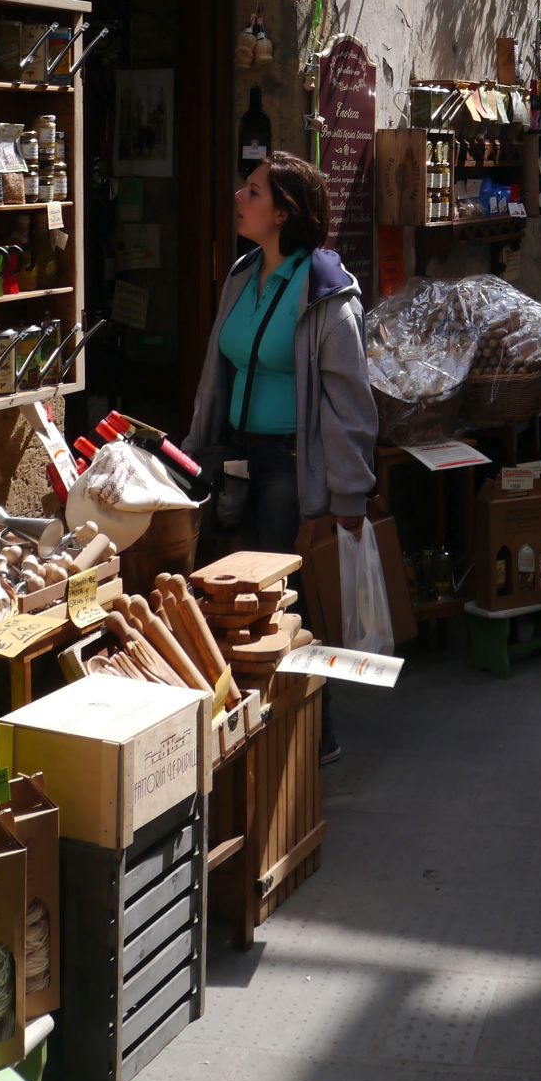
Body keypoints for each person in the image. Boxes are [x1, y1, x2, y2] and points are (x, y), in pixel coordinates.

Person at [186, 150, 378, 761]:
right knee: (233, 599)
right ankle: (254, 723)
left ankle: (314, 731)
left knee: (282, 603)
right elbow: (216, 374)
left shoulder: (326, 294)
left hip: (290, 468)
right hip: (236, 459)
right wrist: (193, 452)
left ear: (284, 212)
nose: (239, 199)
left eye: (253, 191)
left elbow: (351, 406)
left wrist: (349, 496)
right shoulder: (242, 277)